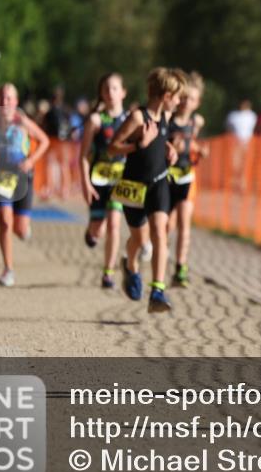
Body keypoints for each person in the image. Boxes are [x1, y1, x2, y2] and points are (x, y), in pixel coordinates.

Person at [108, 67, 185, 312]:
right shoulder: (138, 118)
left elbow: (160, 141)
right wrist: (139, 144)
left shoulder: (165, 118)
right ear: (165, 95)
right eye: (177, 96)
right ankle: (129, 265)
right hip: (134, 186)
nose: (179, 101)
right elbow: (113, 147)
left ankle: (158, 292)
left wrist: (169, 149)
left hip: (159, 183)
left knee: (159, 232)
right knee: (140, 241)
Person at [0, 84, 50, 286]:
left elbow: (45, 141)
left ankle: (23, 229)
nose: (5, 102)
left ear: (16, 102)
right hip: (2, 177)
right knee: (5, 223)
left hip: (23, 177)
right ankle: (8, 269)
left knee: (19, 229)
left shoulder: (22, 122)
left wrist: (31, 161)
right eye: (2, 98)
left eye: (9, 98)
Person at [79, 73, 130, 289]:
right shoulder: (96, 120)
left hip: (120, 181)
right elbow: (82, 155)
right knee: (98, 230)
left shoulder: (131, 119)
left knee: (115, 226)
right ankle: (91, 232)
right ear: (101, 93)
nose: (111, 93)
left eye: (115, 88)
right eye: (107, 89)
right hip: (98, 180)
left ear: (123, 93)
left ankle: (108, 273)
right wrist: (85, 183)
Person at [167, 72, 208, 288]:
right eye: (183, 97)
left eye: (191, 99)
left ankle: (180, 268)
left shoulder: (195, 122)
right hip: (166, 177)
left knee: (185, 224)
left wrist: (199, 150)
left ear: (197, 102)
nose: (186, 102)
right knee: (166, 225)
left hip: (187, 176)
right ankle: (160, 255)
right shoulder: (167, 120)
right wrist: (172, 146)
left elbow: (190, 143)